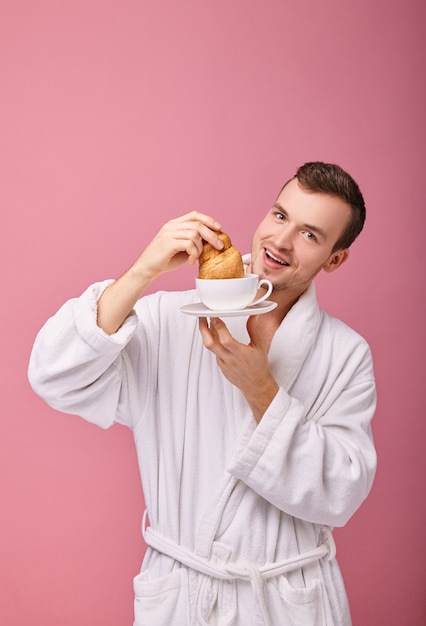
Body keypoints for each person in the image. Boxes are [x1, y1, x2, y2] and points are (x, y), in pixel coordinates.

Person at [28, 161, 377, 626]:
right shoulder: (173, 320)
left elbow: (341, 495)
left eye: (310, 235)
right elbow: (54, 373)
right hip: (182, 598)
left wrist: (263, 392)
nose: (281, 241)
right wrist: (141, 272)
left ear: (335, 259)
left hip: (287, 604)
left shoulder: (345, 355)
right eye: (279, 216)